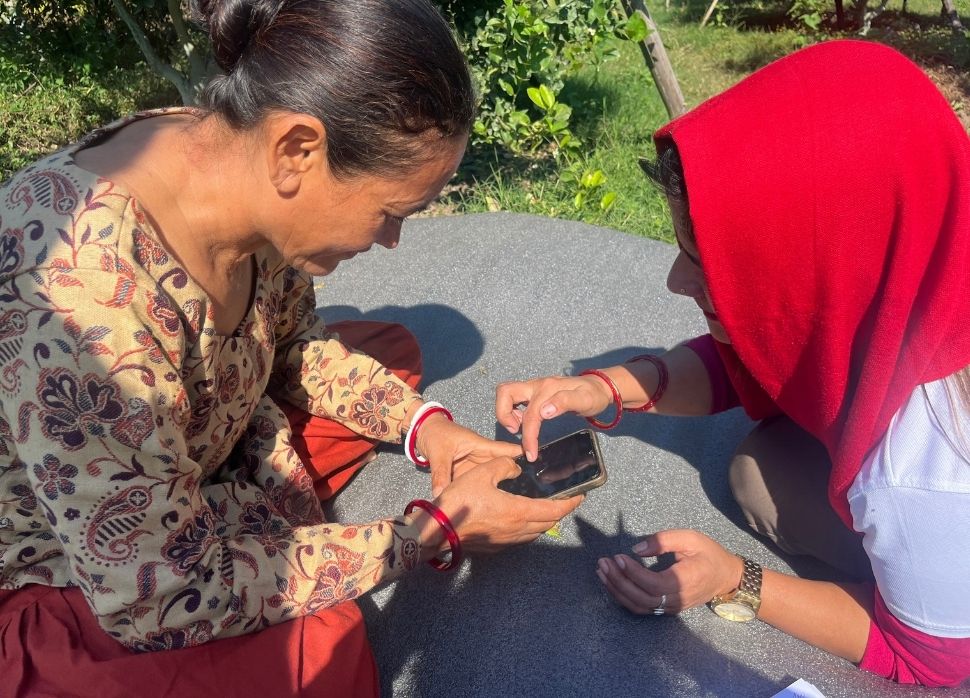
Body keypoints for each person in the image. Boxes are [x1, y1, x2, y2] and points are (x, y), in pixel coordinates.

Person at [0, 1, 582, 695]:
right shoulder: (87, 296)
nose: (391, 243)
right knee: (322, 651)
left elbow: (293, 345)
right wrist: (427, 532)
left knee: (391, 359)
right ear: (298, 150)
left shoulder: (230, 149)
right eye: (391, 213)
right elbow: (157, 595)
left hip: (176, 448)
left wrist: (429, 430)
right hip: (69, 560)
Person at [496, 40, 970, 687]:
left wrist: (737, 579)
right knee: (762, 466)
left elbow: (930, 659)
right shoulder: (918, 261)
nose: (674, 281)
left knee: (757, 478)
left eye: (706, 261)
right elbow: (762, 351)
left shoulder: (921, 471)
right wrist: (603, 388)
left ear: (820, 274)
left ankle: (916, 577)